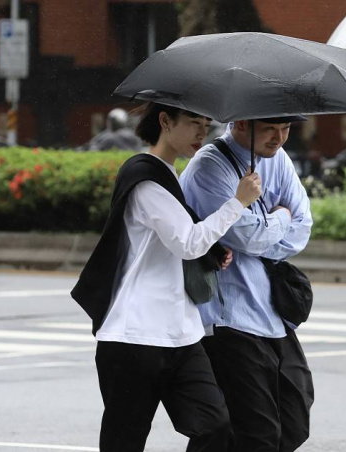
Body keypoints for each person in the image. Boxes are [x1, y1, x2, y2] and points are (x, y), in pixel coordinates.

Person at [70, 102, 262, 452]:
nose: (202, 132)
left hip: (181, 335)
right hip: (134, 338)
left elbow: (184, 235)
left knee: (215, 427)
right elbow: (188, 242)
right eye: (193, 123)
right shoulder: (144, 180)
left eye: (206, 123)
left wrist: (213, 249)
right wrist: (238, 202)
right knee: (123, 443)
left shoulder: (166, 177)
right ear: (165, 121)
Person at [179, 116, 314, 452]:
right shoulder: (208, 168)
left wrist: (266, 227)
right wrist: (280, 216)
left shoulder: (277, 158)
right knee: (256, 434)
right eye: (270, 128)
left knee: (293, 424)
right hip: (229, 320)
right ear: (240, 122)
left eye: (286, 128)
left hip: (274, 314)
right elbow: (247, 236)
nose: (279, 138)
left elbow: (303, 227)